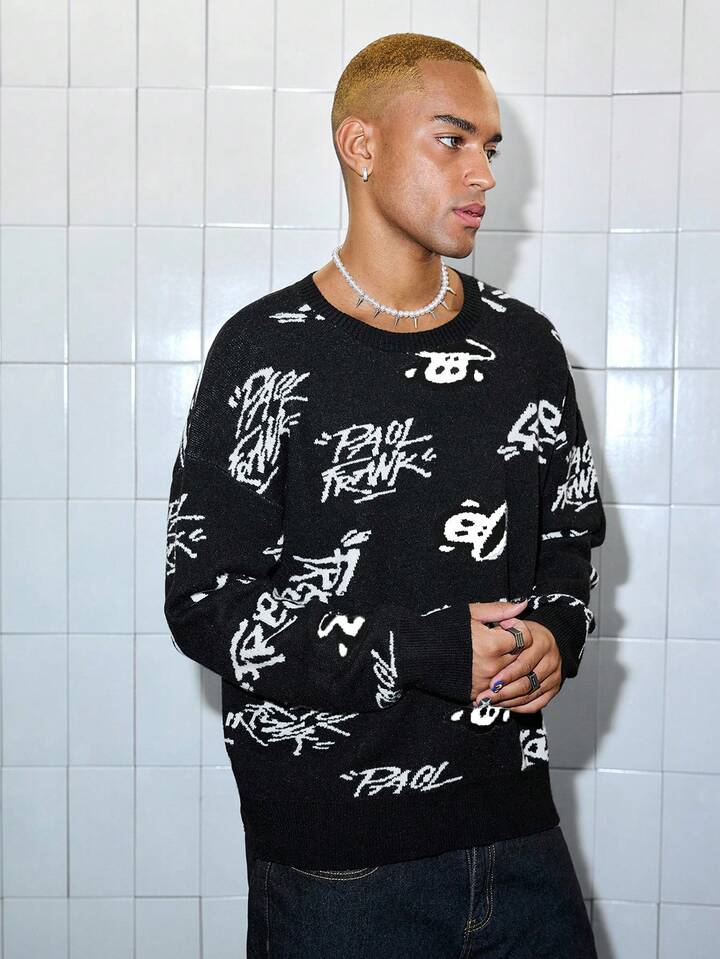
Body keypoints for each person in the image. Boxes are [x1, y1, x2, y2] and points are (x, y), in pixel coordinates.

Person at [163, 32, 605, 958]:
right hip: (338, 864)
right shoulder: (265, 350)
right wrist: (426, 647)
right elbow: (207, 604)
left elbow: (569, 539)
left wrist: (557, 633)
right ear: (360, 145)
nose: (483, 173)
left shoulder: (525, 347)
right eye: (453, 139)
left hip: (517, 834)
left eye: (491, 147)